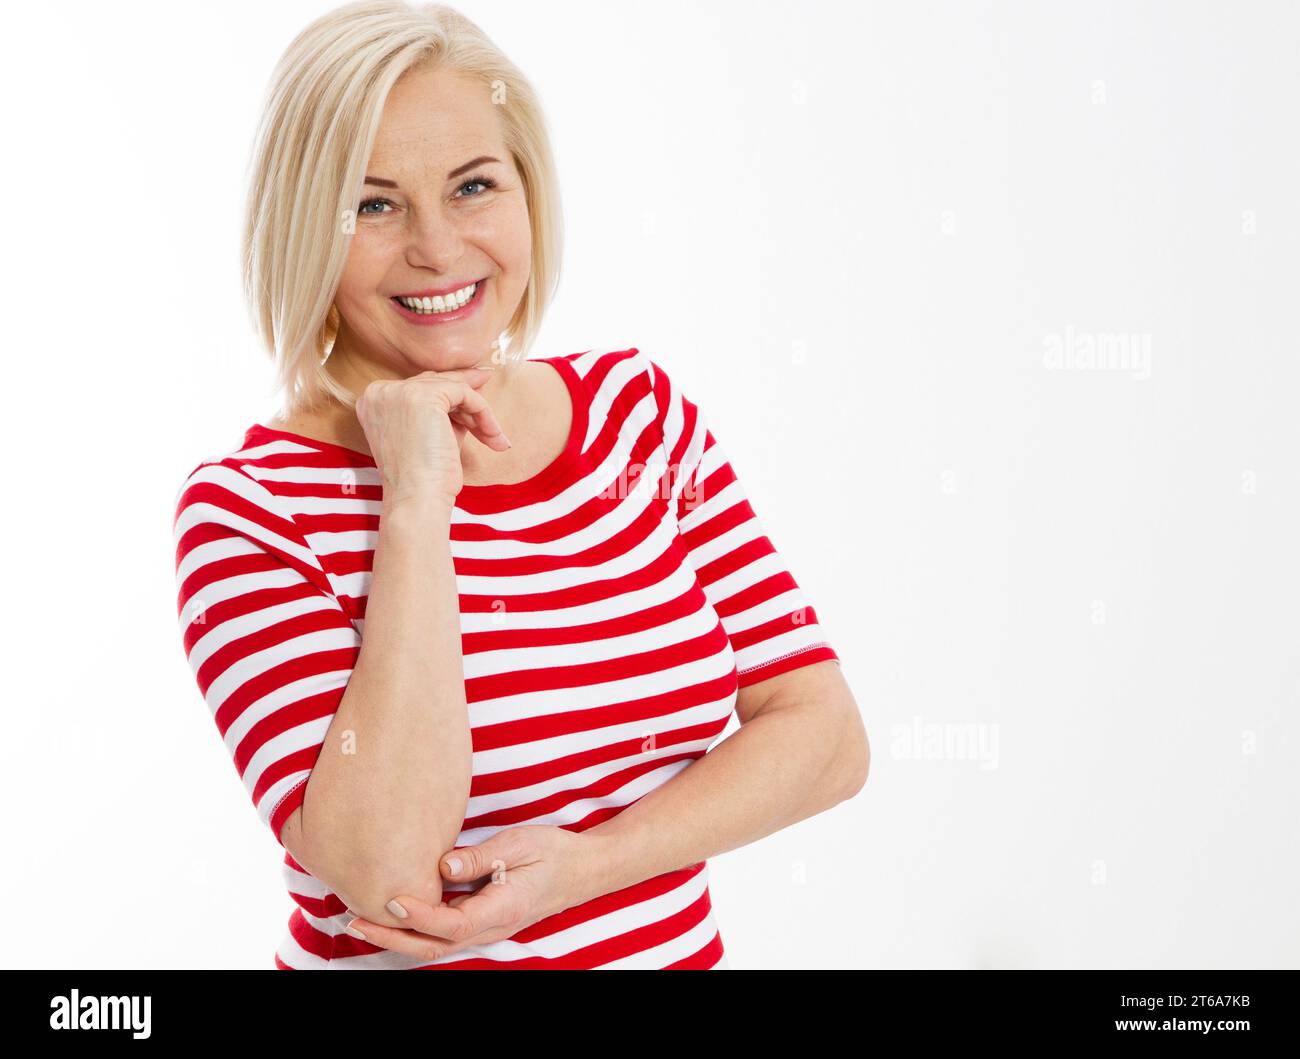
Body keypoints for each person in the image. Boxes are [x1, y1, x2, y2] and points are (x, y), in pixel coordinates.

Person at [172, 0, 868, 969]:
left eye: (472, 186)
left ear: (527, 191)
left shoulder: (636, 413)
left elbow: (824, 736)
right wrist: (415, 499)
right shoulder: (253, 513)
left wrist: (589, 865)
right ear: (306, 230)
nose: (438, 247)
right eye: (373, 204)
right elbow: (387, 867)